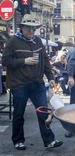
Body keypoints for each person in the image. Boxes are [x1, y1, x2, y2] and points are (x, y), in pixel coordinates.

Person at [2, 14, 63, 150]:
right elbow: (5, 61)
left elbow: (45, 60)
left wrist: (51, 77)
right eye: (28, 28)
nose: (31, 31)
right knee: (19, 114)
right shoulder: (13, 42)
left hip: (37, 83)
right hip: (19, 84)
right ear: (22, 28)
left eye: (33, 29)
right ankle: (18, 140)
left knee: (43, 112)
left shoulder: (38, 41)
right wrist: (24, 61)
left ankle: (49, 140)